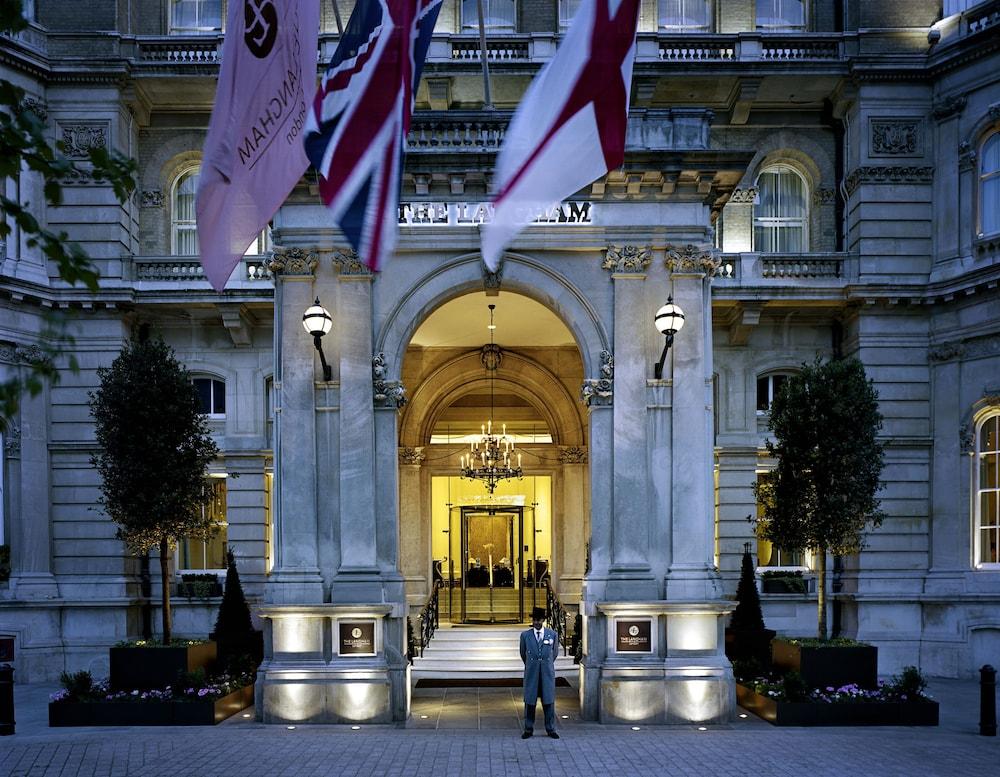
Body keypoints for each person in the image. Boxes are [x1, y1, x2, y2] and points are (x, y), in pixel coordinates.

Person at [520, 606, 559, 739]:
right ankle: (528, 729)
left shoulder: (552, 634)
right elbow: (523, 653)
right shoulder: (525, 635)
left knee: (549, 702)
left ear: (543, 620)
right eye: (535, 620)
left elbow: (554, 654)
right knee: (530, 702)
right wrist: (533, 664)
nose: (536, 622)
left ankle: (550, 729)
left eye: (539, 620)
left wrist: (544, 664)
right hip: (532, 673)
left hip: (547, 674)